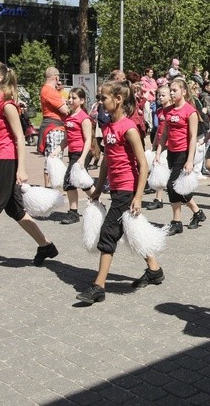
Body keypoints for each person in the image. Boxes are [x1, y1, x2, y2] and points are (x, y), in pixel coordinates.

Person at [0, 61, 59, 279]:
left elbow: (19, 137)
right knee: (14, 210)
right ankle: (46, 246)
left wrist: (22, 169)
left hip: (8, 161)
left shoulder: (6, 105)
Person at [76, 80, 164, 304]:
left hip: (127, 188)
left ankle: (98, 286)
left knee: (108, 233)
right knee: (127, 228)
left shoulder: (129, 128)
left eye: (103, 97)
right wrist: (97, 188)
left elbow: (143, 165)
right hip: (115, 188)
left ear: (118, 100)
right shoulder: (108, 127)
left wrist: (137, 197)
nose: (100, 101)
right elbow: (107, 160)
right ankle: (154, 269)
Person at [155, 77, 206, 235]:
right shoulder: (167, 110)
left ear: (184, 92)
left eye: (174, 90)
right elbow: (165, 134)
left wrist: (190, 160)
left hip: (184, 153)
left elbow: (192, 137)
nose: (171, 92)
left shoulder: (190, 111)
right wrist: (158, 152)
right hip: (172, 152)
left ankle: (176, 222)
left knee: (172, 186)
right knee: (180, 188)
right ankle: (198, 213)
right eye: (170, 90)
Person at [59, 88, 93, 225]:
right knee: (83, 183)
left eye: (74, 98)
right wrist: (57, 150)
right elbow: (67, 139)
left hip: (82, 153)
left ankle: (73, 213)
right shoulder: (68, 117)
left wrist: (82, 158)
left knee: (69, 181)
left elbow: (88, 140)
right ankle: (98, 203)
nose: (70, 100)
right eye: (70, 98)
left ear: (82, 101)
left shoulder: (84, 118)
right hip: (73, 152)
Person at [39, 67, 70, 187]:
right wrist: (67, 104)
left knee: (51, 157)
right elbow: (65, 110)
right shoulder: (50, 91)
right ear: (56, 77)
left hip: (52, 126)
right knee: (53, 157)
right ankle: (50, 186)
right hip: (55, 127)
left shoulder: (46, 90)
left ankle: (50, 185)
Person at [147, 85, 170, 211]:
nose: (160, 97)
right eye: (159, 95)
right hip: (161, 144)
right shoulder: (159, 111)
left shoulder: (172, 110)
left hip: (171, 145)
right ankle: (158, 198)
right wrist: (154, 142)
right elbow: (158, 129)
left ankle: (183, 194)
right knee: (158, 168)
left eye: (163, 95)